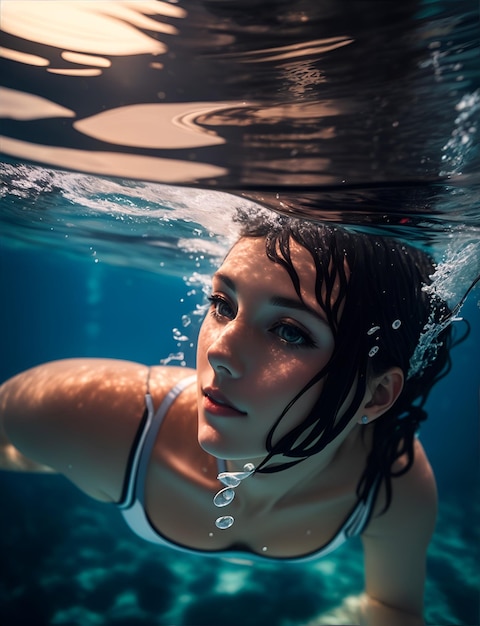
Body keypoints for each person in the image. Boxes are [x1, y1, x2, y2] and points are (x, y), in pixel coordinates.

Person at [0, 213, 473, 626]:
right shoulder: (83, 408)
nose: (219, 351)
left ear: (378, 394)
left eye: (289, 332)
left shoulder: (392, 481)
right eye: (223, 305)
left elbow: (391, 608)